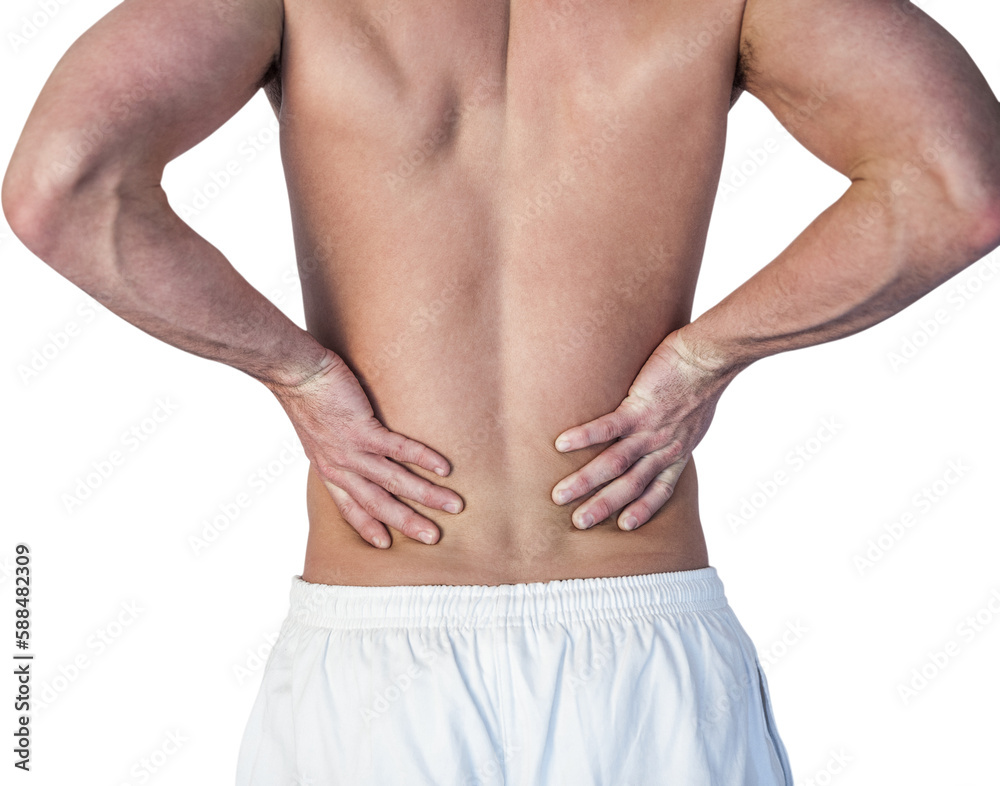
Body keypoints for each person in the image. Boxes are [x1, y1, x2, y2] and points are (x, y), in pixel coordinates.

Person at [4, 0, 999, 782]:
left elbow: (63, 185)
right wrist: (702, 360)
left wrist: (299, 372)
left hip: (375, 665)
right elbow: (956, 187)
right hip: (640, 646)